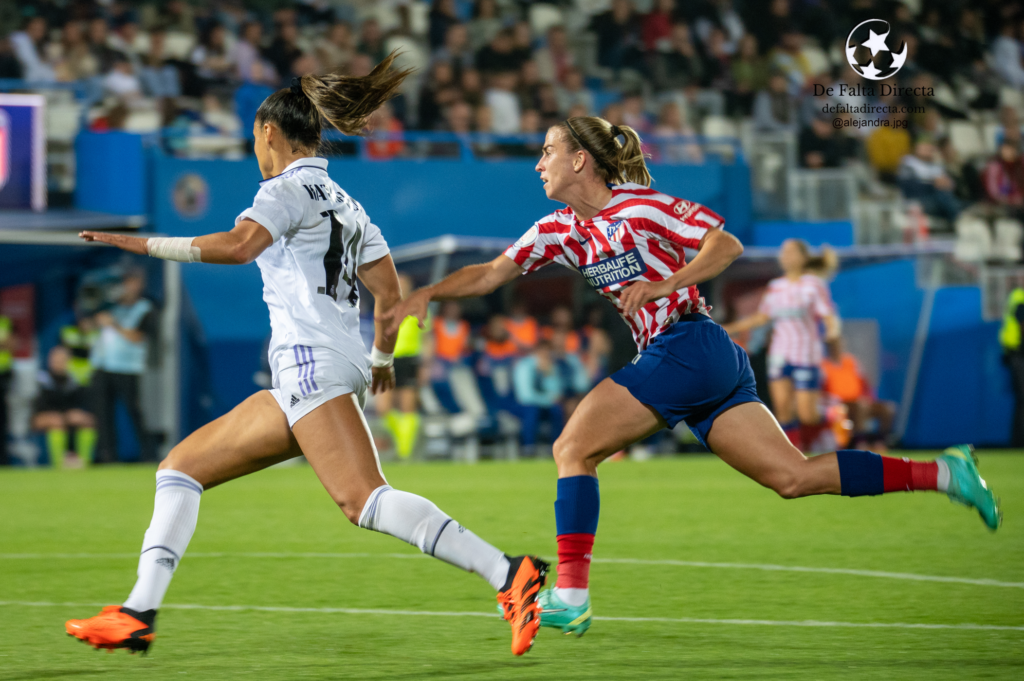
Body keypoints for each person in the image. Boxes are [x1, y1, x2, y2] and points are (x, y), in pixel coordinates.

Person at [384, 115, 1001, 638]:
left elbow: (724, 246)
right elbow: (492, 273)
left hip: (689, 345)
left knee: (572, 447)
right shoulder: (560, 230)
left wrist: (667, 282)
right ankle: (947, 472)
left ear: (580, 159)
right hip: (700, 359)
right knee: (792, 477)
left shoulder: (642, 208)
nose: (537, 164)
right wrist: (429, 295)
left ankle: (569, 598)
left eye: (546, 152)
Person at [68, 54, 547, 657]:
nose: (256, 152)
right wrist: (378, 359)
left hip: (309, 363)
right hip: (328, 365)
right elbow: (389, 292)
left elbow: (242, 246)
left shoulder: (284, 188)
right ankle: (137, 611)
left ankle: (508, 574)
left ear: (270, 132)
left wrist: (140, 244)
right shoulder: (347, 204)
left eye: (255, 140)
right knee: (180, 468)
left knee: (364, 499)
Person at [724, 240, 840, 452]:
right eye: (783, 252)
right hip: (779, 354)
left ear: (803, 258)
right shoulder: (776, 287)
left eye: (791, 252)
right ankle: (793, 455)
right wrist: (730, 327)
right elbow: (762, 317)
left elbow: (828, 314)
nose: (786, 256)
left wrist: (832, 331)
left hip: (806, 354)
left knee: (807, 414)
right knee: (783, 411)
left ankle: (833, 413)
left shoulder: (813, 285)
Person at [89, 269, 157, 464]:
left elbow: (137, 338)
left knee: (135, 413)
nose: (127, 287)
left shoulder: (145, 308)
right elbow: (87, 325)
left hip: (128, 369)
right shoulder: (108, 306)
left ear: (140, 284)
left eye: (132, 282)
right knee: (102, 415)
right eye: (124, 282)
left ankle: (148, 455)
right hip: (102, 366)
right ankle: (107, 457)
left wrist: (114, 324)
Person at [376, 273, 427, 458]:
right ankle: (401, 440)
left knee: (408, 407)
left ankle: (405, 452)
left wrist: (425, 365)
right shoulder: (383, 307)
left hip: (409, 359)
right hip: (387, 359)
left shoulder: (417, 307)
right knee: (383, 408)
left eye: (403, 285)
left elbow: (427, 337)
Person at [821, 337, 895, 451]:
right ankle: (861, 444)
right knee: (861, 406)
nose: (838, 348)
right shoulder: (824, 366)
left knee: (888, 408)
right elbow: (821, 391)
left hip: (860, 402)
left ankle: (880, 443)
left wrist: (870, 398)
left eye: (840, 345)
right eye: (834, 345)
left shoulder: (851, 362)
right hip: (839, 405)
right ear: (829, 347)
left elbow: (865, 383)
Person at [32, 346, 97, 468]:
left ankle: (85, 463)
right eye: (56, 359)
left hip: (65, 416)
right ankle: (58, 464)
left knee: (87, 420)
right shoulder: (41, 379)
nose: (59, 363)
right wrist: (63, 415)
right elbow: (40, 405)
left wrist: (75, 414)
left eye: (62, 360)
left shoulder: (74, 381)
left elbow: (78, 404)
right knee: (56, 420)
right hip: (41, 417)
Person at [1000, 280, 1024, 447]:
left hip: (1013, 352)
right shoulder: (1020, 298)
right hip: (1018, 352)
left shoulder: (1016, 295)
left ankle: (1017, 440)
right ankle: (1018, 441)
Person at [0, 314, 13, 466]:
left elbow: (11, 344)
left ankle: (3, 459)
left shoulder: (5, 322)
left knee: (2, 420)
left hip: (3, 374)